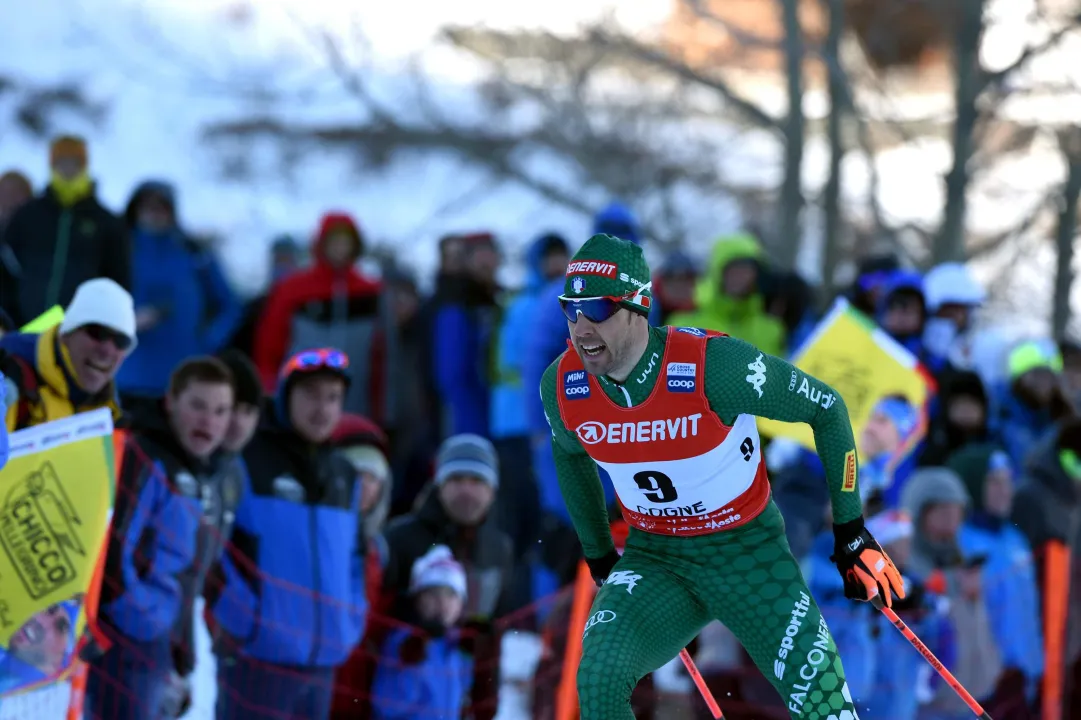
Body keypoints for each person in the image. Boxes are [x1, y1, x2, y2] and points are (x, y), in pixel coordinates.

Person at [538, 233, 905, 719]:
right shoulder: (564, 384)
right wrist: (600, 555)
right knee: (598, 675)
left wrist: (851, 532)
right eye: (571, 309)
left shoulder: (713, 366)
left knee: (826, 707)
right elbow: (569, 455)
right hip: (657, 558)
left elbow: (827, 408)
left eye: (598, 310)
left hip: (746, 554)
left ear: (638, 305)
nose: (581, 328)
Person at [208, 348, 367, 720]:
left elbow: (357, 560)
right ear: (284, 397)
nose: (323, 408)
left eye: (333, 398)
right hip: (257, 658)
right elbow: (214, 551)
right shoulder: (246, 460)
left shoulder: (345, 475)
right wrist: (246, 621)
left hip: (323, 663)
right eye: (310, 394)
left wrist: (350, 622)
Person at [86, 357, 237, 720]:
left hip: (164, 643)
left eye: (220, 411)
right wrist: (147, 619)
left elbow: (191, 575)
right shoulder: (146, 457)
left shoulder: (205, 474)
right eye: (198, 406)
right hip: (126, 639)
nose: (209, 421)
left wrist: (181, 642)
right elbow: (113, 553)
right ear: (170, 402)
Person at [0, 136, 130, 326]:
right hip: (24, 330)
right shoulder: (28, 215)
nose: (67, 168)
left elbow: (118, 282)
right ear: (52, 165)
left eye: (74, 162)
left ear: (84, 165)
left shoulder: (106, 222)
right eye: (61, 162)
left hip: (79, 335)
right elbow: (6, 267)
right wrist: (9, 317)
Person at [0, 277, 135, 431]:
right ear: (65, 335)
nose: (107, 351)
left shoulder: (111, 415)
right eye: (97, 333)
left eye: (121, 341)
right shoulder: (11, 383)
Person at [370, 545, 473, 720]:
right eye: (432, 594)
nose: (442, 603)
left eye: (450, 594)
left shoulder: (457, 643)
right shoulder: (403, 639)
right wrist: (409, 664)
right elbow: (386, 706)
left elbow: (463, 692)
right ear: (417, 599)